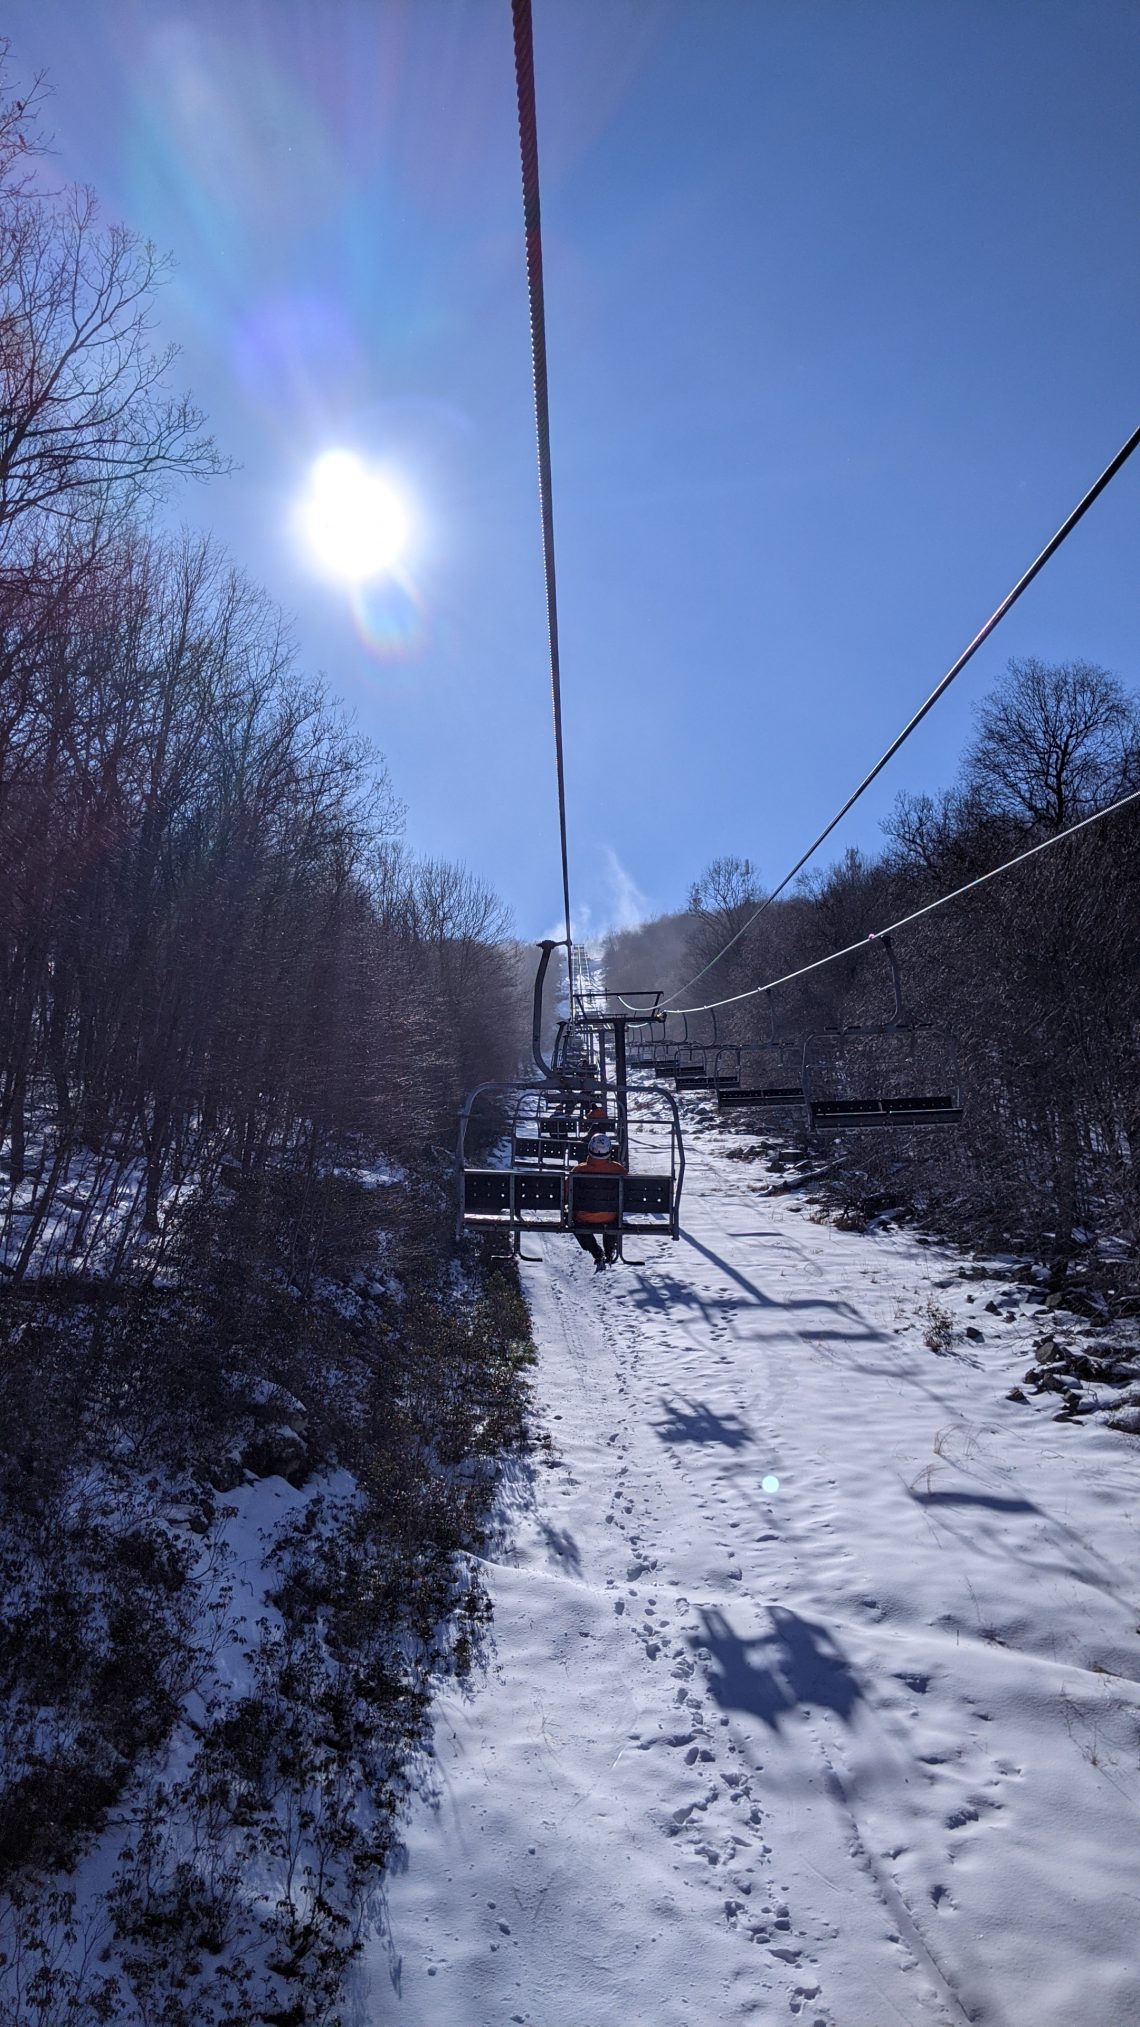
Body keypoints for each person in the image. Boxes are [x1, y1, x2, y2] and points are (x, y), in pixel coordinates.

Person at [568, 1130, 627, 1271]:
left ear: (589, 1149)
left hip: (583, 1217)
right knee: (614, 1220)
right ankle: (609, 1249)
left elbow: (566, 1195)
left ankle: (596, 1252)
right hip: (610, 1216)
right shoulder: (618, 1170)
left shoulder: (577, 1171)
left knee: (573, 1220)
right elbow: (628, 1193)